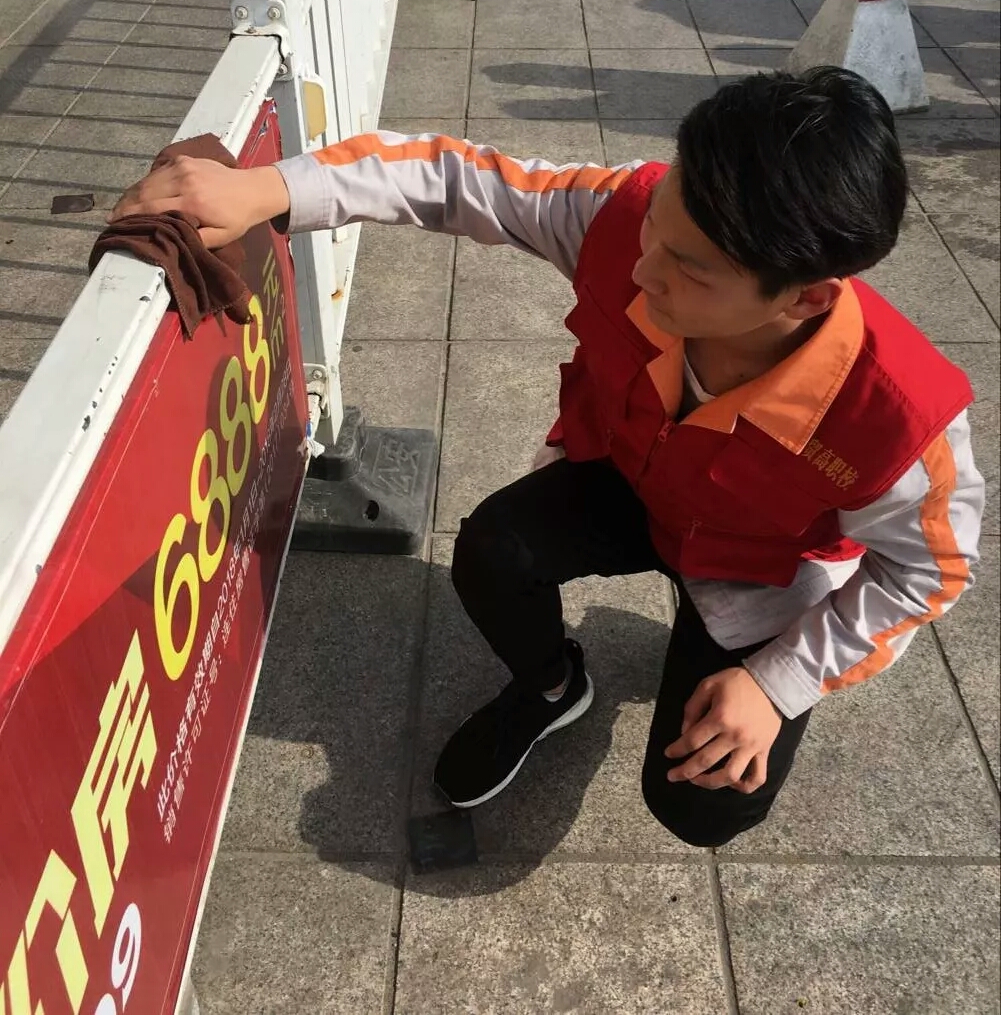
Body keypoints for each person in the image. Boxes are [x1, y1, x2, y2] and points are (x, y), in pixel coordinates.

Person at [112, 67, 985, 848]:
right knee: (491, 549)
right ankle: (552, 686)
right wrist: (271, 186)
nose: (642, 270)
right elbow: (454, 177)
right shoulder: (626, 217)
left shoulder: (896, 419)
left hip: (759, 564)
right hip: (632, 479)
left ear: (805, 300)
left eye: (688, 270)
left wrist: (776, 682)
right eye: (657, 226)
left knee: (702, 805)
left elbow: (930, 572)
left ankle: (717, 661)